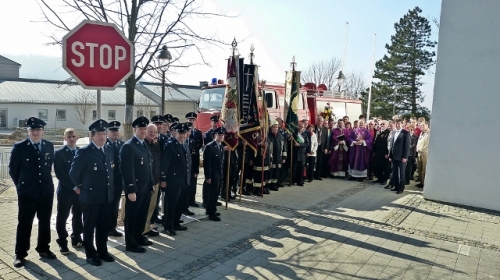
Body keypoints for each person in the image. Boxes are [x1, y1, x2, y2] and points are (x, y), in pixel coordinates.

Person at [9, 117, 56, 268]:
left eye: (38, 130)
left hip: (46, 191)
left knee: (45, 221)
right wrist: (21, 187)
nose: (35, 133)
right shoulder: (19, 147)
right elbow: (13, 170)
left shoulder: (49, 145)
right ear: (28, 131)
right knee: (25, 223)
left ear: (43, 131)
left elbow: (48, 167)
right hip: (27, 193)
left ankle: (43, 248)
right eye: (32, 130)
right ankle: (20, 254)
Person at [69, 119, 115, 266]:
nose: (103, 137)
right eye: (99, 134)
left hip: (106, 196)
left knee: (103, 225)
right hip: (90, 197)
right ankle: (90, 253)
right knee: (89, 226)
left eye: (104, 134)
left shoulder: (108, 149)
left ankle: (103, 250)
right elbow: (73, 174)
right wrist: (82, 187)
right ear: (92, 136)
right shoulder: (84, 152)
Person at [120, 116, 155, 253]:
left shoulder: (143, 144)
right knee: (132, 216)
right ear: (135, 130)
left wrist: (151, 183)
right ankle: (130, 243)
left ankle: (138, 236)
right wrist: (131, 190)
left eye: (145, 128)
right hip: (136, 189)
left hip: (146, 187)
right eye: (141, 129)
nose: (143, 131)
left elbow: (149, 165)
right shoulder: (129, 146)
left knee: (142, 214)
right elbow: (127, 170)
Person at [54, 128, 83, 255]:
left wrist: (82, 186)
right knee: (62, 216)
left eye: (74, 136)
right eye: (69, 137)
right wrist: (74, 187)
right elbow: (61, 174)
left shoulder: (80, 152)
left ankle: (76, 237)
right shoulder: (59, 153)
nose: (71, 139)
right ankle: (62, 241)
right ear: (64, 138)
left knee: (78, 215)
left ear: (77, 138)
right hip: (66, 191)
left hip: (79, 191)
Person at [160, 123, 191, 235]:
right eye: (180, 133)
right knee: (171, 204)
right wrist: (163, 179)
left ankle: (176, 222)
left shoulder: (185, 144)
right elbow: (164, 164)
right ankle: (168, 226)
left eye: (184, 133)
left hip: (183, 180)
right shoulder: (170, 145)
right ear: (175, 133)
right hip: (172, 181)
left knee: (181, 203)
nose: (182, 135)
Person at [106, 121, 125, 237]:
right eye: (112, 131)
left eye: (116, 131)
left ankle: (112, 227)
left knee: (115, 205)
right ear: (107, 132)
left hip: (118, 181)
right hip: (108, 181)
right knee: (107, 205)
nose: (115, 133)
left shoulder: (122, 144)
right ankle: (106, 226)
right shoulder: (105, 145)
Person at [142, 124, 161, 237]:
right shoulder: (143, 145)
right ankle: (142, 228)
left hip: (155, 180)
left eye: (154, 132)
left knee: (152, 205)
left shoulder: (155, 144)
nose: (152, 134)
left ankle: (147, 227)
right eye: (150, 131)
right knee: (145, 206)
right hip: (146, 182)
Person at [203, 127, 225, 221]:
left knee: (216, 194)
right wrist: (208, 176)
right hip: (212, 174)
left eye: (222, 135)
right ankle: (211, 213)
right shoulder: (209, 146)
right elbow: (206, 163)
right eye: (219, 135)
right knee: (212, 194)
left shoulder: (220, 146)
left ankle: (212, 209)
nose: (221, 137)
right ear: (215, 135)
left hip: (218, 174)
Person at [388, 119, 411, 194]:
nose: (397, 125)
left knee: (401, 173)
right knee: (395, 172)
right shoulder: (394, 132)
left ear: (402, 124)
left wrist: (405, 157)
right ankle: (396, 186)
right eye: (396, 124)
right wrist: (390, 156)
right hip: (394, 156)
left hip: (401, 157)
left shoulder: (405, 133)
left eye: (399, 124)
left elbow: (407, 146)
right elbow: (392, 145)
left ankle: (401, 188)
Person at [267, 121, 286, 191]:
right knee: (270, 172)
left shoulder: (280, 136)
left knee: (276, 171)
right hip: (271, 157)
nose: (276, 128)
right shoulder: (268, 136)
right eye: (274, 127)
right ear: (271, 127)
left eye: (277, 127)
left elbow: (284, 147)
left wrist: (284, 157)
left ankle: (274, 184)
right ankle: (269, 185)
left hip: (278, 157)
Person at [416, 120, 430, 188]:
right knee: (419, 168)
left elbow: (427, 145)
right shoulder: (421, 133)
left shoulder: (428, 133)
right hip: (419, 153)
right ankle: (421, 182)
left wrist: (420, 150)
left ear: (427, 125)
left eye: (423, 125)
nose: (422, 127)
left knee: (424, 170)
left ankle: (424, 184)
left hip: (424, 154)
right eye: (420, 126)